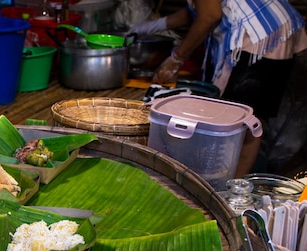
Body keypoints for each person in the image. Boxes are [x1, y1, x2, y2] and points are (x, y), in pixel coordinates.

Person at [129, 0, 307, 177]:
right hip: (274, 26)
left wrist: (177, 58)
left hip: (262, 33)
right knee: (248, 117)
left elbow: (210, 15)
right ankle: (231, 183)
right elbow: (197, 10)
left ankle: (230, 188)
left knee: (241, 120)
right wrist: (153, 26)